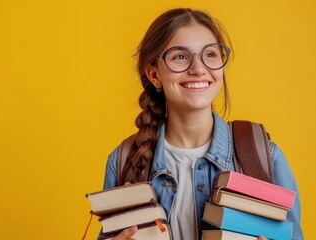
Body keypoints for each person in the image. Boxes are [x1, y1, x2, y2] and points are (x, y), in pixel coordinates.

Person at [101, 8, 304, 240]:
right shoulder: (123, 162)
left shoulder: (264, 156)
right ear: (154, 75)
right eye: (180, 56)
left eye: (210, 55)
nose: (198, 69)